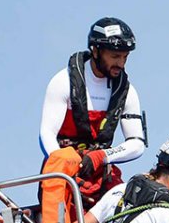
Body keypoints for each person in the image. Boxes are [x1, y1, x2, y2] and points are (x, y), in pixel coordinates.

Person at [39, 17, 145, 181]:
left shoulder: (127, 91)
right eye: (115, 56)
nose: (121, 64)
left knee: (127, 198)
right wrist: (67, 166)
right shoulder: (62, 82)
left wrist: (101, 156)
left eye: (125, 57)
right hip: (63, 172)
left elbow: (137, 143)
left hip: (101, 170)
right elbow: (47, 134)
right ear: (96, 51)